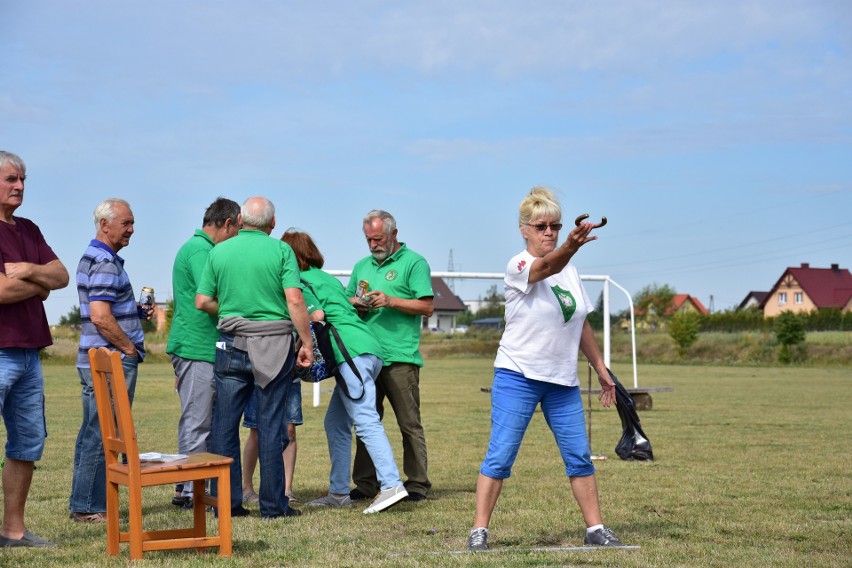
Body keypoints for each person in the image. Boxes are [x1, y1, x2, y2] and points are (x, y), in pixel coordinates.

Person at [466, 187, 624, 551]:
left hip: (562, 381)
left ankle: (596, 529)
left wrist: (600, 367)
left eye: (555, 225)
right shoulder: (519, 264)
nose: (549, 232)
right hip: (517, 375)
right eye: (541, 226)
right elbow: (548, 266)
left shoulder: (571, 272)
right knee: (501, 455)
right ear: (524, 229)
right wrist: (572, 245)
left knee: (579, 455)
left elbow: (580, 321)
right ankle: (479, 531)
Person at [195, 196, 312, 519]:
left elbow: (202, 300)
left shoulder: (219, 251)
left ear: (242, 220)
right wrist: (306, 343)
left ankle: (227, 504)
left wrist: (234, 312)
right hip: (274, 345)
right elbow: (294, 300)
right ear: (272, 224)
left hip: (231, 344)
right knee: (272, 425)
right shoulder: (281, 251)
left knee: (224, 426)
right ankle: (274, 506)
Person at [283, 230, 408, 514]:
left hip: (350, 353)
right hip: (367, 349)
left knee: (365, 418)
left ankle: (391, 484)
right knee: (335, 422)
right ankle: (339, 491)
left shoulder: (299, 280)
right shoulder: (326, 277)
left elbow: (315, 316)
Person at [0, 151, 69, 548]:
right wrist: (41, 287)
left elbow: (60, 275)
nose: (20, 186)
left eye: (23, 179)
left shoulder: (28, 229)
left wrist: (29, 271)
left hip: (30, 354)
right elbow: (2, 290)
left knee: (26, 444)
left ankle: (13, 531)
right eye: (11, 179)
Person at [70, 198, 152, 523]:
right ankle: (89, 506)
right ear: (104, 224)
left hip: (94, 358)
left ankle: (85, 501)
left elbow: (105, 309)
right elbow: (101, 317)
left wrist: (133, 310)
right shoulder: (105, 261)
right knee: (103, 431)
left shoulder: (94, 257)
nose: (132, 229)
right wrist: (129, 348)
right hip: (109, 361)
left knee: (93, 428)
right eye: (126, 223)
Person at [347, 210, 434, 503]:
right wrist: (357, 304)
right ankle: (365, 483)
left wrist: (390, 301)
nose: (373, 245)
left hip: (400, 357)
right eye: (369, 240)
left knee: (409, 423)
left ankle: (418, 483)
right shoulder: (361, 266)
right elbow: (348, 302)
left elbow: (426, 307)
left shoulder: (415, 263)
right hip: (367, 356)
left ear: (394, 234)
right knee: (367, 421)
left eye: (378, 239)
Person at [166, 197, 240, 509]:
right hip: (196, 347)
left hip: (202, 347)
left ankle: (193, 487)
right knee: (197, 421)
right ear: (228, 224)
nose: (237, 238)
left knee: (201, 420)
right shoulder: (201, 251)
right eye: (237, 230)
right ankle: (189, 491)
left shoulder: (202, 248)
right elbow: (212, 292)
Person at [240, 381, 302, 505]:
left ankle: (287, 490)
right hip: (259, 375)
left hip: (290, 375)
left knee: (290, 431)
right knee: (256, 431)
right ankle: (247, 488)